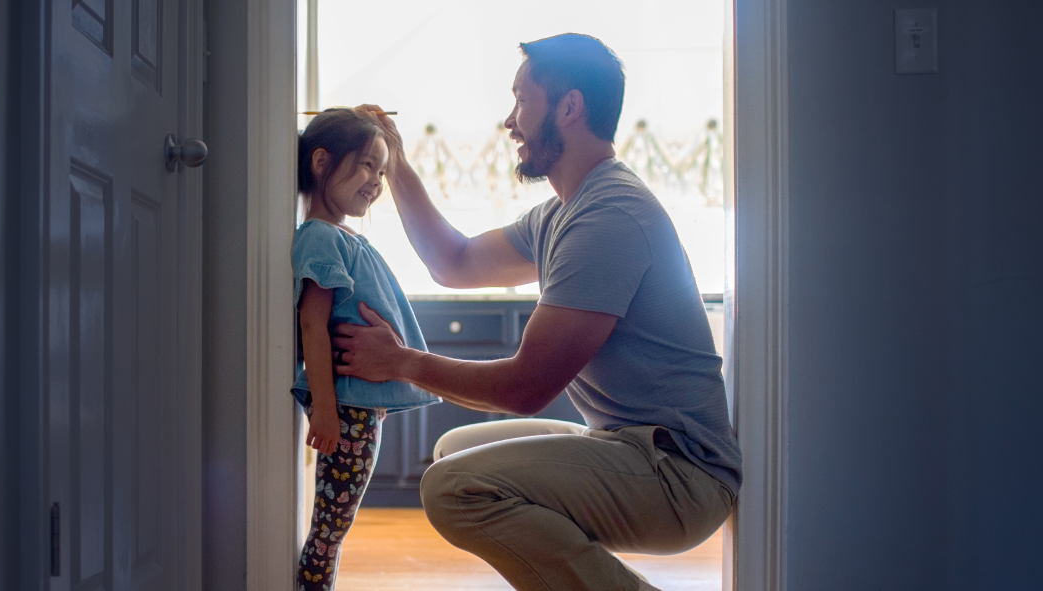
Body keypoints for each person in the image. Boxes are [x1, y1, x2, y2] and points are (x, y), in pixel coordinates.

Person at [332, 34, 741, 591]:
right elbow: (454, 262)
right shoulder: (561, 214)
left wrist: (400, 362)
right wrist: (397, 163)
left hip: (680, 478)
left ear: (568, 107)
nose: (510, 120)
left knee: (453, 488)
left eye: (521, 99)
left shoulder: (608, 216)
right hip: (628, 445)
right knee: (455, 451)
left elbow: (524, 388)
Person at [291, 107, 441, 591]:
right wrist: (327, 411)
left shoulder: (342, 236)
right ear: (321, 163)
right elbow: (312, 323)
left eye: (382, 170)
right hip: (348, 408)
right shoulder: (318, 237)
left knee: (335, 525)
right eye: (367, 166)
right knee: (329, 531)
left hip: (360, 407)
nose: (376, 181)